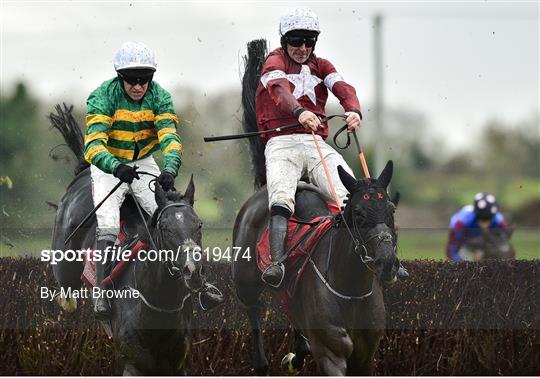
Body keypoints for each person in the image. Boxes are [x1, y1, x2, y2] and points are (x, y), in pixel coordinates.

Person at [85, 41, 222, 319]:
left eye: (144, 80)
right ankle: (101, 291)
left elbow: (169, 138)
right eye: (132, 81)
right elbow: (93, 146)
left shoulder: (160, 97)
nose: (138, 86)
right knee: (109, 225)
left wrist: (170, 169)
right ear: (119, 77)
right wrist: (115, 166)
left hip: (144, 161)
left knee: (168, 218)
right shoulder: (101, 96)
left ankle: (199, 284)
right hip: (108, 164)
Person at [255, 8, 364, 287]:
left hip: (315, 142)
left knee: (352, 196)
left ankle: (369, 258)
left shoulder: (323, 64)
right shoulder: (274, 62)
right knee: (281, 199)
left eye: (309, 42)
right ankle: (277, 263)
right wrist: (299, 112)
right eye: (296, 41)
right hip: (281, 143)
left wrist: (353, 110)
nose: (303, 48)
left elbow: (342, 87)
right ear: (284, 41)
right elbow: (279, 91)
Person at [446, 192, 508, 261]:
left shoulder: (499, 222)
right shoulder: (461, 222)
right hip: (466, 242)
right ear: (475, 213)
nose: (485, 223)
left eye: (488, 219)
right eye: (482, 218)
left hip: (486, 243)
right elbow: (452, 248)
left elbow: (503, 244)